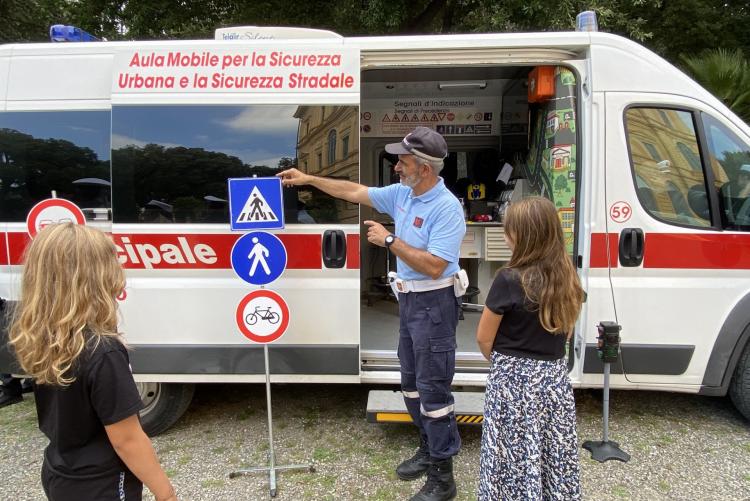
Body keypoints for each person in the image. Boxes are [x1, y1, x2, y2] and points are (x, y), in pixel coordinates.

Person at [278, 126, 465, 501]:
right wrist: (308, 179)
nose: (396, 166)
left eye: (403, 161)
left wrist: (390, 240)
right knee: (410, 385)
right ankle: (428, 450)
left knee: (433, 391)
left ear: (424, 168)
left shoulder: (447, 208)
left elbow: (434, 266)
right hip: (410, 303)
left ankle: (443, 479)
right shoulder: (404, 194)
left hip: (435, 305)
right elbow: (354, 191)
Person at [8, 223, 177, 501]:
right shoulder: (103, 351)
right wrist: (166, 493)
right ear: (95, 276)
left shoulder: (48, 337)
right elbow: (127, 440)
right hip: (103, 485)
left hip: (60, 473)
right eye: (113, 262)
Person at [475, 196, 584, 500]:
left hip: (512, 383)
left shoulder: (508, 279)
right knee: (552, 454)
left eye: (509, 230)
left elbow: (484, 338)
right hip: (554, 382)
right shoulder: (569, 277)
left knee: (509, 457)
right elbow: (566, 332)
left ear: (522, 236)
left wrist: (508, 367)